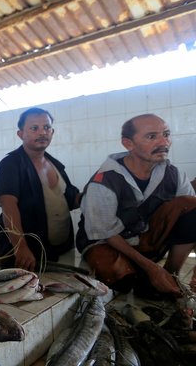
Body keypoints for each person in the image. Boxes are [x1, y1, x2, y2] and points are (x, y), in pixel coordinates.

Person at [76, 114, 196, 298]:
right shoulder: (104, 181)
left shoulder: (173, 173)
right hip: (106, 240)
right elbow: (106, 233)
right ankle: (146, 272)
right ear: (128, 144)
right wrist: (152, 268)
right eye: (152, 136)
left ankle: (171, 274)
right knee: (119, 277)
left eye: (166, 134)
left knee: (190, 204)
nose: (164, 141)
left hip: (144, 237)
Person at [0, 107, 80, 271]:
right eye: (34, 128)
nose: (42, 133)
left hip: (60, 250)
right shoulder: (11, 164)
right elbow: (8, 207)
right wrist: (21, 247)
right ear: (21, 134)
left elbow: (71, 199)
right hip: (26, 255)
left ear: (52, 132)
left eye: (46, 128)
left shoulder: (55, 164)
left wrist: (95, 192)